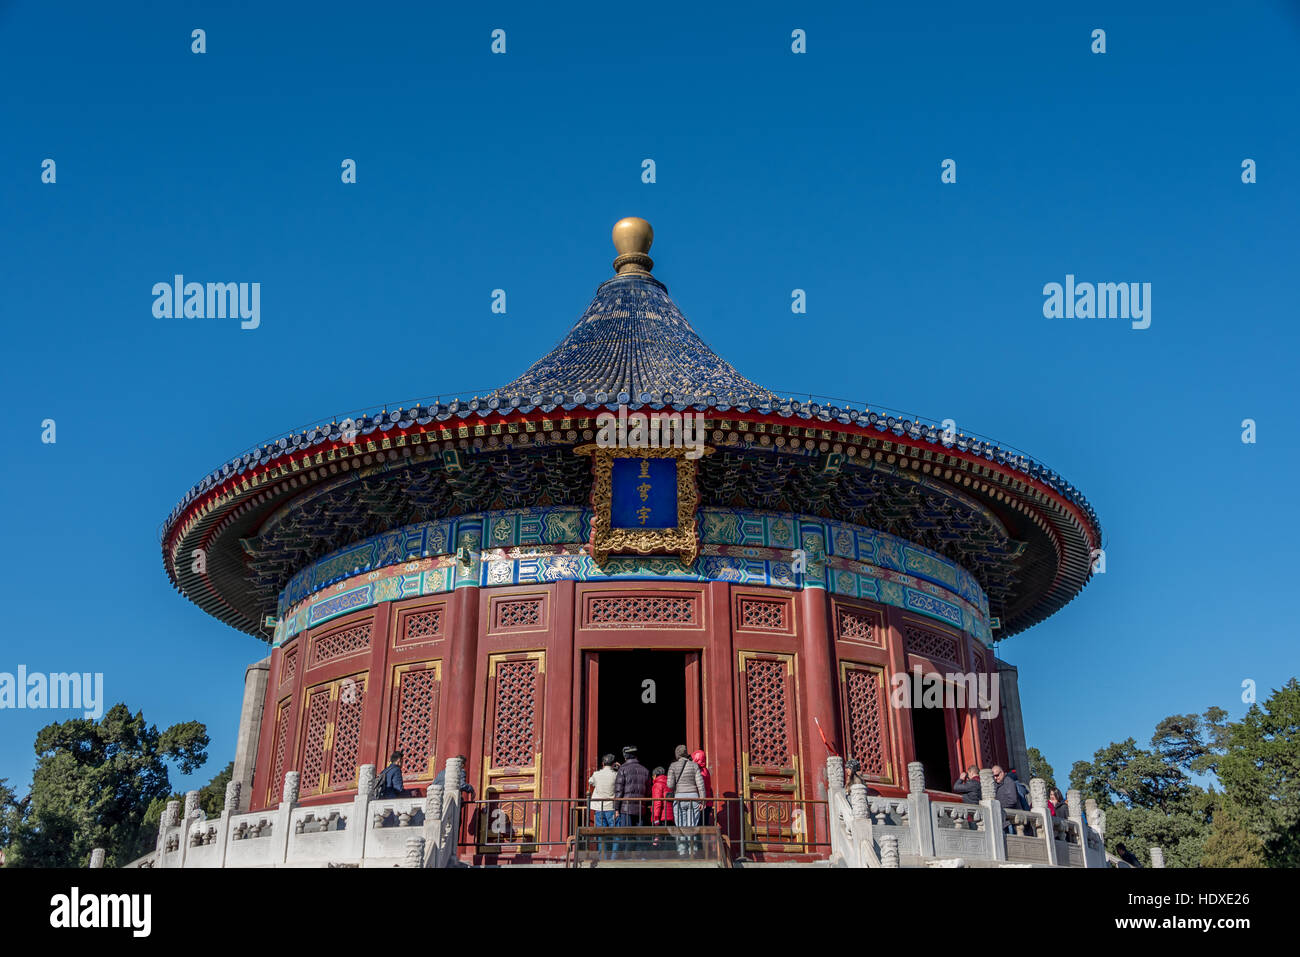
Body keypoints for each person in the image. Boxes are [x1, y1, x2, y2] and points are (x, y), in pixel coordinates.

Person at [667, 744, 705, 857]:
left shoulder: (673, 766)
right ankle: (692, 850)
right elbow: (700, 785)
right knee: (692, 826)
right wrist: (702, 800)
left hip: (679, 798)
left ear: (677, 754)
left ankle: (682, 850)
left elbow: (669, 784)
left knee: (680, 826)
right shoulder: (694, 766)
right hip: (693, 798)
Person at [614, 745, 651, 857]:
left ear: (625, 757)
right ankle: (640, 858)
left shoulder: (622, 769)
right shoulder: (645, 770)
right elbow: (649, 791)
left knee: (627, 834)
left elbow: (618, 791)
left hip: (626, 808)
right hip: (641, 807)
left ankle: (627, 858)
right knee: (640, 835)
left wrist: (616, 808)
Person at [588, 753, 619, 860]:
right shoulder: (615, 775)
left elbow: (590, 782)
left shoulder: (596, 774)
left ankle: (603, 857)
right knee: (616, 834)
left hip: (599, 808)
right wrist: (618, 768)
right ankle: (614, 858)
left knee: (601, 835)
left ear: (602, 763)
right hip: (611, 808)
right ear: (613, 764)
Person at [691, 749, 716, 825]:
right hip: (707, 802)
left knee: (699, 827)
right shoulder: (705, 770)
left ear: (697, 759)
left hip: (701, 803)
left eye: (693, 759)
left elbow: (700, 788)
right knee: (704, 825)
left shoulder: (699, 772)